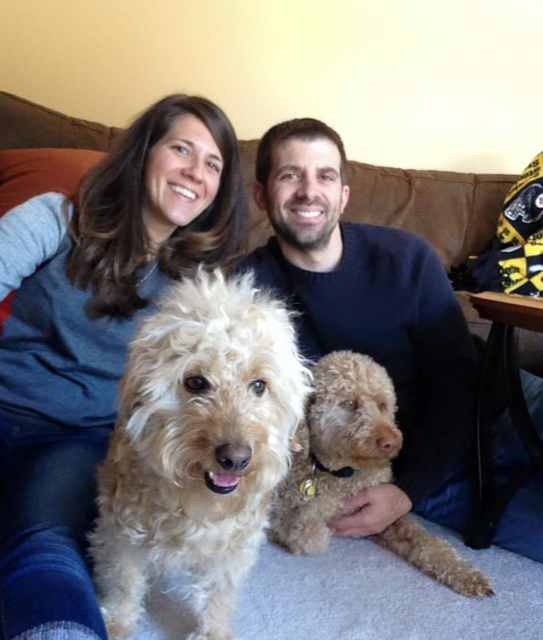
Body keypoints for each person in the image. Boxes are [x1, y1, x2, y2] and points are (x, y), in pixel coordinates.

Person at [239, 117, 543, 563]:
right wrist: (405, 490)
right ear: (262, 195)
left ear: (343, 194)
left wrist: (407, 490)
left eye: (324, 175)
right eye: (290, 175)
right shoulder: (243, 292)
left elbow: (457, 383)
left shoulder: (405, 257)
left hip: (500, 404)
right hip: (400, 469)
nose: (308, 191)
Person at [0, 94, 247, 640]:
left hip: (76, 439)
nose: (194, 172)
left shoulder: (197, 289)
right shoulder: (56, 218)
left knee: (45, 541)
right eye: (181, 148)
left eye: (213, 164)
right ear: (143, 153)